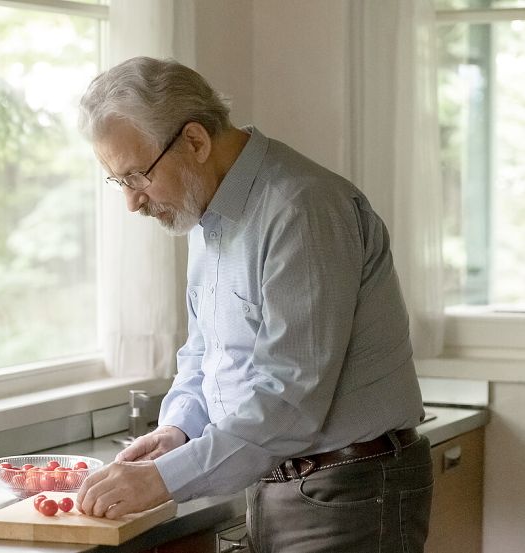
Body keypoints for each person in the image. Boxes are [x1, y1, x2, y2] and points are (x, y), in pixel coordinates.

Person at [74, 56, 433, 553]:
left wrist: (163, 480)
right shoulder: (203, 214)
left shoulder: (301, 210)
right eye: (120, 182)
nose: (132, 202)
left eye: (137, 176)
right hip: (281, 485)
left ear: (195, 141)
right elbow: (204, 355)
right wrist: (177, 430)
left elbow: (287, 398)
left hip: (351, 492)